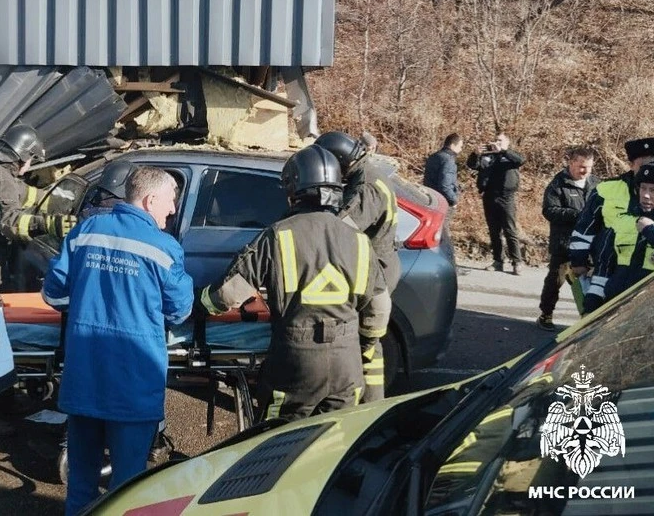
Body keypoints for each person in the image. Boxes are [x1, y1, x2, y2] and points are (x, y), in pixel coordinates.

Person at [43, 166, 194, 516]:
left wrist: (86, 302)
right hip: (133, 380)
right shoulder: (163, 247)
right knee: (128, 485)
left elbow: (53, 293)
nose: (172, 210)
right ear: (150, 199)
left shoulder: (86, 232)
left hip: (86, 376)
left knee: (81, 480)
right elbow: (180, 310)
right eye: (171, 201)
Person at [197, 145, 380, 420]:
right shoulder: (359, 241)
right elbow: (379, 309)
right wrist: (362, 345)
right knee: (335, 439)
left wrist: (200, 302)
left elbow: (227, 295)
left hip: (297, 363)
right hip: (347, 364)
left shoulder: (279, 236)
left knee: (279, 443)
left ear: (293, 191)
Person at [314, 131, 397, 402]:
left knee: (361, 346)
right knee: (370, 348)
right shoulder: (367, 174)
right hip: (374, 270)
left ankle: (362, 408)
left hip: (372, 275)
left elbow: (340, 230)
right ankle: (371, 406)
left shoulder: (364, 187)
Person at [0, 124, 74, 295]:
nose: (29, 165)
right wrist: (49, 224)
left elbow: (23, 192)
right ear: (24, 155)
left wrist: (62, 200)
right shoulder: (3, 180)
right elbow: (10, 223)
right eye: (32, 159)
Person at [569, 136, 654, 303]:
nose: (650, 169)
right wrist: (579, 261)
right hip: (608, 268)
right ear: (631, 165)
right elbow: (585, 228)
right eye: (643, 165)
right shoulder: (607, 189)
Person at [582, 159, 654, 313]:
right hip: (615, 308)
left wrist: (653, 233)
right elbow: (605, 265)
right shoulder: (623, 221)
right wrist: (594, 295)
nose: (646, 195)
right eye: (643, 188)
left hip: (652, 314)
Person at [536, 147, 597, 331]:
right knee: (555, 281)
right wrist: (577, 215)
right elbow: (549, 210)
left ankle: (589, 317)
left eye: (588, 167)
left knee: (590, 282)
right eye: (581, 167)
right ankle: (546, 314)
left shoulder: (595, 183)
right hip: (564, 243)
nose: (585, 171)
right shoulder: (558, 184)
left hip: (590, 243)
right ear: (571, 163)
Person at [467, 132, 525, 274]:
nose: (496, 143)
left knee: (510, 229)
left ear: (507, 143)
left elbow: (521, 160)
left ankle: (517, 261)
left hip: (506, 197)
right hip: (489, 195)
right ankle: (498, 261)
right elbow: (472, 165)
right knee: (494, 231)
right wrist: (475, 154)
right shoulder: (488, 156)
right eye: (495, 140)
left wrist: (503, 151)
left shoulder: (510, 156)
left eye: (500, 140)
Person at [423, 133, 463, 210]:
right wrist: (453, 200)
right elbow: (445, 185)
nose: (461, 149)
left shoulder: (434, 156)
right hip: (443, 202)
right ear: (453, 145)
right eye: (460, 147)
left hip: (430, 198)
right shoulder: (448, 160)